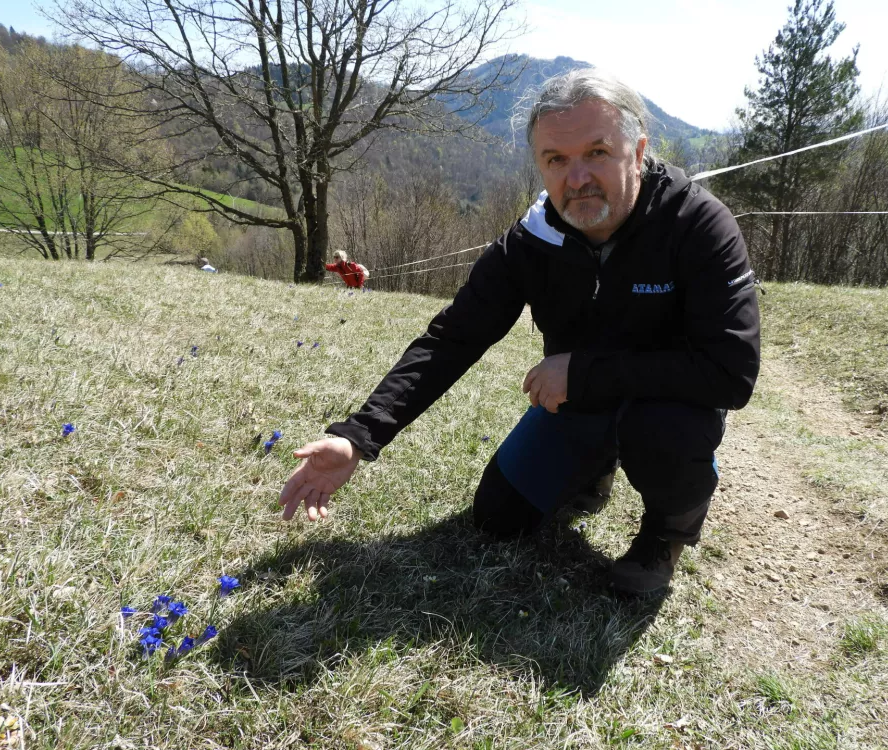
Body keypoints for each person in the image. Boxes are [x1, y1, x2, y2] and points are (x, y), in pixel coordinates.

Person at [279, 69, 761, 596]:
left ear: (638, 150)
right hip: (578, 405)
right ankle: (593, 469)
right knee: (497, 519)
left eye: (597, 152)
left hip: (668, 406)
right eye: (556, 159)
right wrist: (359, 435)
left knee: (668, 433)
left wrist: (582, 371)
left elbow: (730, 373)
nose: (576, 178)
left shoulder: (698, 225)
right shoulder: (533, 240)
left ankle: (664, 535)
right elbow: (454, 337)